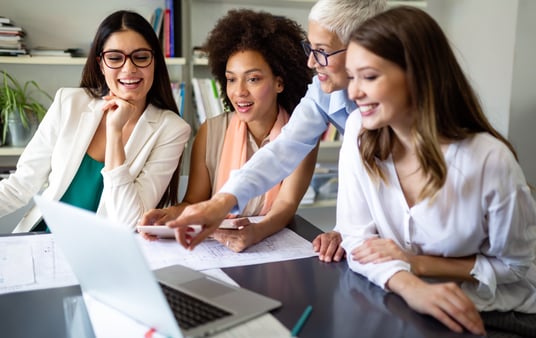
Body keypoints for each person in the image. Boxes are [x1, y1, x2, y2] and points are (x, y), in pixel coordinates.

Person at [340, 6, 536, 337]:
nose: (353, 92)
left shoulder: (489, 161)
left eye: (369, 77)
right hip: (413, 303)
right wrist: (410, 286)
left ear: (417, 75)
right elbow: (357, 239)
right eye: (351, 76)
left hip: (498, 313)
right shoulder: (359, 131)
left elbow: (516, 267)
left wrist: (417, 263)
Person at [166, 0, 387, 262]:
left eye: (322, 51)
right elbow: (282, 149)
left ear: (362, 51)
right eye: (310, 48)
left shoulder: (396, 108)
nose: (311, 62)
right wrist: (221, 203)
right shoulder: (323, 95)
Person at [140, 9, 317, 252]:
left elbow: (285, 207)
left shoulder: (302, 135)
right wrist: (168, 215)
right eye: (231, 79)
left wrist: (255, 233)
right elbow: (194, 202)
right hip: (218, 250)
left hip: (273, 250)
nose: (239, 91)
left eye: (252, 79)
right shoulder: (210, 132)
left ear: (279, 82)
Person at [2, 10, 191, 232]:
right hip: (44, 240)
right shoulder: (69, 103)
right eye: (114, 58)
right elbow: (20, 185)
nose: (129, 69)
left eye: (141, 57)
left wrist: (115, 131)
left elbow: (128, 221)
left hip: (105, 252)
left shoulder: (172, 129)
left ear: (155, 62)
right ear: (101, 64)